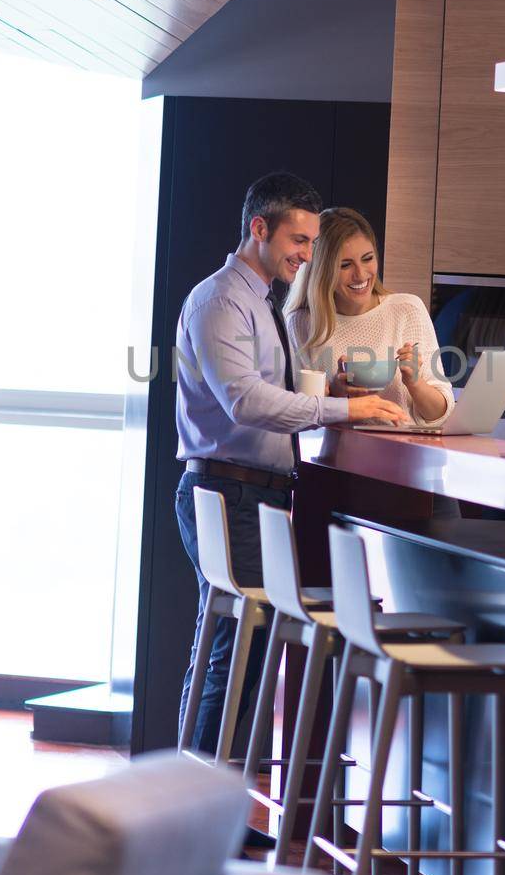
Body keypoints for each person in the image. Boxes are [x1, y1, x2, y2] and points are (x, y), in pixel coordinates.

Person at [174, 173, 406, 766]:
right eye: (299, 242)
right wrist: (342, 407)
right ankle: (193, 820)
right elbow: (245, 402)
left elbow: (266, 390)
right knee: (233, 654)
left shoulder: (257, 301)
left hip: (253, 495)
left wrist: (328, 386)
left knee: (239, 656)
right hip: (230, 494)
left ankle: (205, 813)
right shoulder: (222, 301)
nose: (307, 255)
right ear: (260, 229)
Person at [284, 207, 455, 425]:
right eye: (345, 265)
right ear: (322, 271)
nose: (361, 274)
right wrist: (335, 394)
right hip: (333, 456)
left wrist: (415, 382)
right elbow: (294, 414)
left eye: (368, 258)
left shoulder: (407, 309)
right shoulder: (300, 324)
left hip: (406, 453)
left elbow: (440, 414)